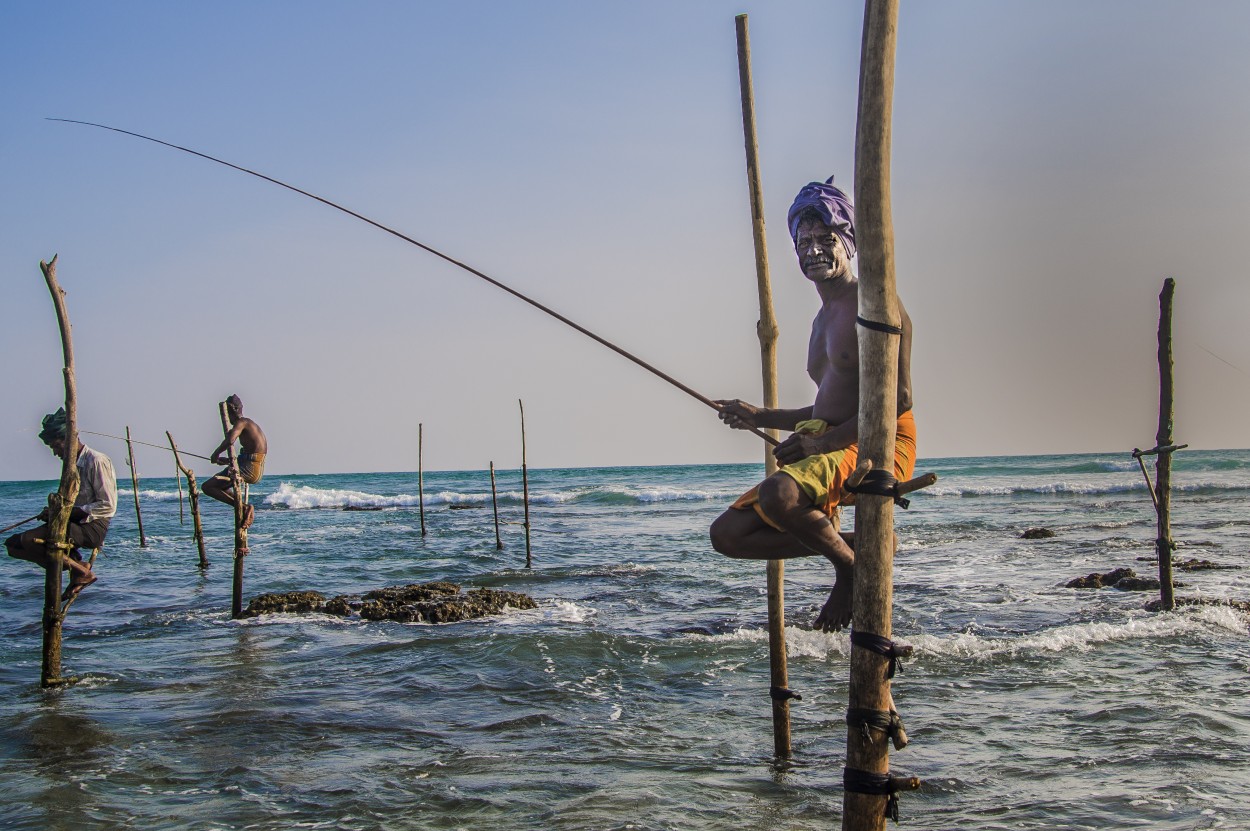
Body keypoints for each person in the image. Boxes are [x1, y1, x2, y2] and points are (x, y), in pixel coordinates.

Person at [710, 177, 916, 633]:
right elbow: (825, 406)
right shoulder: (821, 319)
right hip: (832, 437)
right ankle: (854, 548)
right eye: (804, 242)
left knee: (778, 494)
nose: (814, 250)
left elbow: (896, 398)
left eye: (826, 239)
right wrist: (759, 416)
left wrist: (823, 445)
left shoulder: (875, 302)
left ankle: (849, 570)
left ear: (849, 243)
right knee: (727, 535)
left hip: (879, 442)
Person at [5, 408, 117, 601]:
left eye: (56, 446)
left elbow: (107, 505)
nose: (55, 452)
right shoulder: (70, 467)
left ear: (69, 441)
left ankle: (81, 570)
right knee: (13, 546)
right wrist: (53, 512)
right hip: (70, 524)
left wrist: (68, 513)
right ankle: (76, 565)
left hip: (91, 527)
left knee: (27, 541)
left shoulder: (96, 460)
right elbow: (68, 502)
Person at [203, 394, 268, 530]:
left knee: (208, 487)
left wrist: (216, 454)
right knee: (221, 487)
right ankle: (243, 507)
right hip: (248, 464)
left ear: (232, 410)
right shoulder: (249, 423)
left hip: (250, 468)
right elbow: (247, 452)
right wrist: (227, 461)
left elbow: (230, 440)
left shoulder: (242, 422)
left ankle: (244, 507)